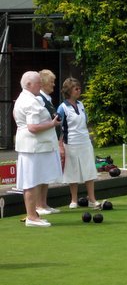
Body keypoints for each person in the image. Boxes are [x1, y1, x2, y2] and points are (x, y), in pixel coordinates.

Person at [13, 71, 63, 227]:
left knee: (34, 180)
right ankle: (31, 217)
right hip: (32, 147)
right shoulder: (29, 101)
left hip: (33, 146)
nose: (40, 85)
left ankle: (34, 214)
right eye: (38, 83)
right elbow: (33, 127)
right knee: (30, 181)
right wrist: (52, 124)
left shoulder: (27, 98)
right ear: (28, 84)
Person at [57, 77, 101, 208]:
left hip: (85, 142)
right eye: (76, 88)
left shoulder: (81, 105)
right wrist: (60, 146)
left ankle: (92, 199)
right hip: (70, 143)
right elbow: (59, 128)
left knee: (89, 170)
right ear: (69, 91)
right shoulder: (62, 107)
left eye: (79, 88)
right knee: (72, 171)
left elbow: (85, 123)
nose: (79, 90)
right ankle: (74, 200)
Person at [34, 69, 62, 215]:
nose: (53, 85)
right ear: (43, 83)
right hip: (42, 142)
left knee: (46, 174)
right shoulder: (39, 99)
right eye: (51, 82)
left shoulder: (47, 99)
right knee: (41, 174)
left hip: (50, 140)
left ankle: (44, 204)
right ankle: (38, 205)